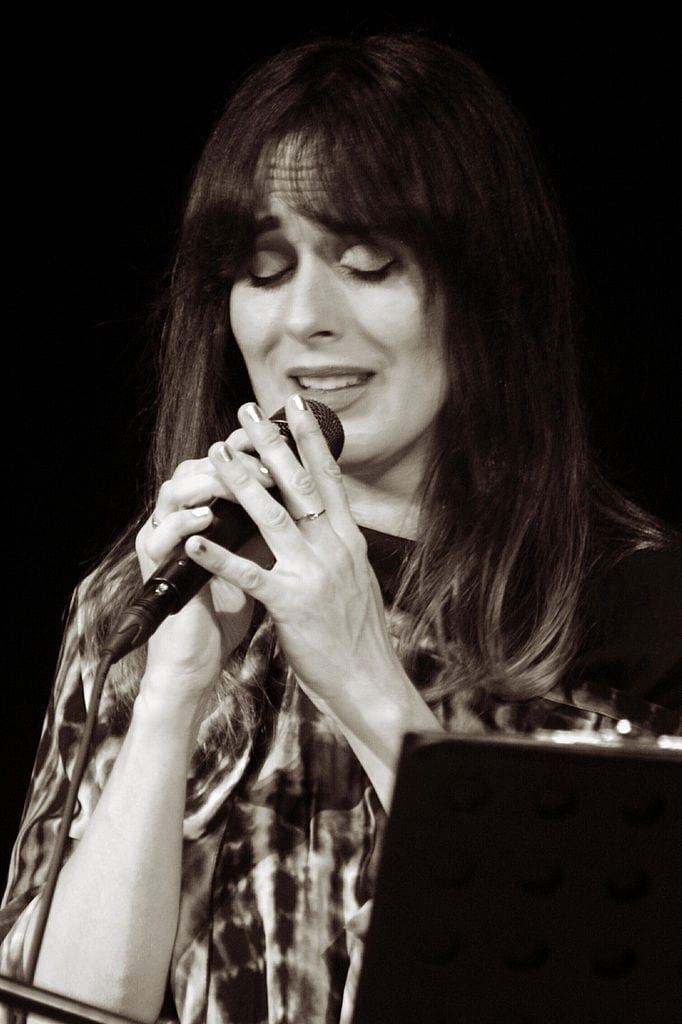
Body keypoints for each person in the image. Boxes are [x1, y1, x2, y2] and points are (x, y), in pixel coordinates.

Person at [1, 30, 680, 1024]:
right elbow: (50, 1014)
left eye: (369, 264)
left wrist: (366, 680)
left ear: (487, 290)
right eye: (264, 270)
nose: (305, 318)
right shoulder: (141, 595)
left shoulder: (632, 605)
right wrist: (170, 696)